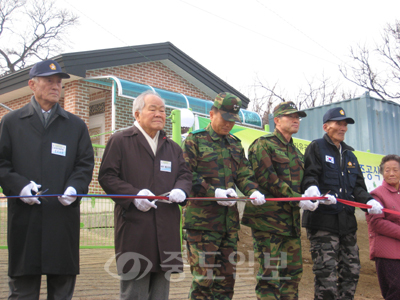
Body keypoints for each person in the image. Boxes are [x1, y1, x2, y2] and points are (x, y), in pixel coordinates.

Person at [0, 60, 94, 299]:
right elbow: (1, 163)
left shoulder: (75, 126)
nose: (56, 86)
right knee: (23, 291)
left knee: (62, 290)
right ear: (32, 84)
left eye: (59, 82)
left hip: (62, 219)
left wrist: (76, 187)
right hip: (25, 218)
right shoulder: (11, 123)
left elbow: (84, 164)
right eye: (49, 81)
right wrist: (19, 187)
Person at [98, 90, 192, 300]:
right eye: (153, 109)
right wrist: (133, 195)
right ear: (137, 114)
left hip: (166, 226)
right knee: (135, 291)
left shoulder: (172, 147)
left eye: (162, 110)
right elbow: (107, 176)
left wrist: (181, 189)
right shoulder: (121, 140)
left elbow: (185, 174)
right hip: (135, 225)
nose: (159, 114)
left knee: (161, 291)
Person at [182, 92, 266, 300]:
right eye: (225, 119)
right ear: (212, 114)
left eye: (232, 121)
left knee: (226, 283)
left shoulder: (235, 145)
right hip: (202, 225)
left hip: (228, 224)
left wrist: (253, 190)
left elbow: (244, 173)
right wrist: (213, 192)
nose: (229, 124)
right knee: (203, 282)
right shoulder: (195, 140)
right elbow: (185, 174)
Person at [301, 106, 383, 300]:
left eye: (345, 124)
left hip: (347, 224)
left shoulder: (350, 156)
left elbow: (358, 188)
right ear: (325, 126)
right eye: (338, 123)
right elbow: (310, 175)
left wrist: (369, 201)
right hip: (323, 222)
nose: (343, 128)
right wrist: (315, 191)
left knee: (352, 272)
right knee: (326, 276)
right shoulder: (317, 147)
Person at [242, 101, 322, 300]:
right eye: (291, 116)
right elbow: (268, 179)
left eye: (298, 117)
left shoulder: (296, 153)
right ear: (277, 120)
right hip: (267, 222)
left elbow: (302, 182)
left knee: (292, 274)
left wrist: (313, 193)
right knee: (270, 275)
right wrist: (298, 199)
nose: (296, 120)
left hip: (291, 223)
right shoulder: (263, 144)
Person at [366, 154, 400, 300]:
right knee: (395, 290)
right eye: (387, 170)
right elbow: (376, 223)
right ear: (382, 173)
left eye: (395, 169)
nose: (391, 173)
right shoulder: (376, 194)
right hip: (387, 251)